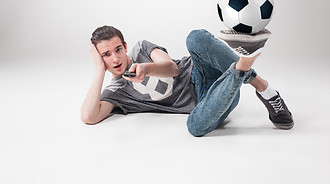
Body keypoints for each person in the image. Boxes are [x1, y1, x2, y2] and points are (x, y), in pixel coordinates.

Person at [81, 25, 294, 137]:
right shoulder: (117, 92)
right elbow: (89, 116)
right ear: (99, 58)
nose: (115, 58)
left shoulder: (141, 48)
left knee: (195, 38)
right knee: (194, 127)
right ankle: (242, 65)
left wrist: (145, 68)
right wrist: (99, 70)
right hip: (210, 100)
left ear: (125, 45)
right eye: (106, 55)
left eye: (118, 49)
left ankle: (263, 88)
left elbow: (171, 68)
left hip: (199, 70)